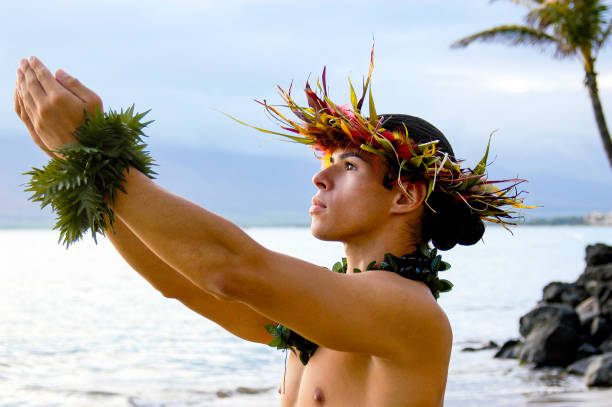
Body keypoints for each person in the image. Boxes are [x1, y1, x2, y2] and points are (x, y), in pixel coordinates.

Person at [14, 54, 526, 407]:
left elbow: (230, 269)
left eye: (348, 166)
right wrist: (85, 169)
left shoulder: (409, 311)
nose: (319, 175)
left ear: (405, 195)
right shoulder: (321, 319)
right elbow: (182, 281)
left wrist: (94, 151)